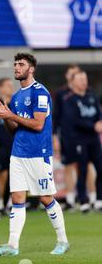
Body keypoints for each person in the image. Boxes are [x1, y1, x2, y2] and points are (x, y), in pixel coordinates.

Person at [0, 53, 69, 256]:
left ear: (31, 69)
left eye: (21, 64)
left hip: (38, 153)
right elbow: (14, 130)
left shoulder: (40, 93)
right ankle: (12, 245)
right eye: (15, 64)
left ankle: (62, 240)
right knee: (17, 197)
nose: (16, 67)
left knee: (45, 198)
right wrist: (6, 116)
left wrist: (11, 115)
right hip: (18, 153)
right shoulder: (16, 97)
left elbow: (38, 124)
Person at [52, 64, 96, 209]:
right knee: (69, 166)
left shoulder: (88, 93)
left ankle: (92, 196)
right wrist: (54, 136)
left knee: (88, 165)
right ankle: (70, 199)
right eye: (71, 73)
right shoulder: (61, 94)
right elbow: (56, 116)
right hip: (68, 136)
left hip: (85, 136)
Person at [66, 70, 102, 212]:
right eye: (80, 79)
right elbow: (73, 120)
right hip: (80, 139)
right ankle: (83, 201)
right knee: (82, 170)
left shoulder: (92, 96)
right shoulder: (70, 99)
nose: (84, 82)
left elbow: (98, 114)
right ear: (73, 82)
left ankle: (99, 200)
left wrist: (99, 122)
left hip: (94, 139)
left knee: (100, 168)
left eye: (85, 79)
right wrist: (93, 126)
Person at [0, 78, 15, 213]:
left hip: (14, 144)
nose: (11, 88)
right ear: (0, 88)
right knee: (2, 174)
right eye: (8, 86)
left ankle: (11, 203)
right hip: (0, 145)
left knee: (15, 175)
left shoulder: (16, 103)